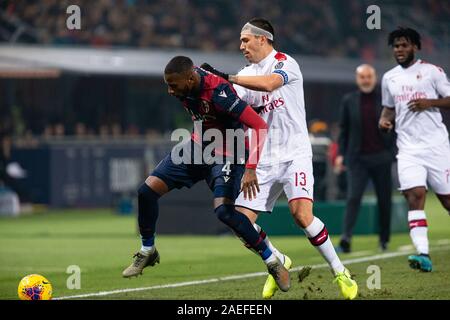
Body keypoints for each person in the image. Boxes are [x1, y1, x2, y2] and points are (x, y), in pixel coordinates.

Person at [201, 18, 357, 300]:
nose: (241, 46)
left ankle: (339, 271)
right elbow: (229, 103)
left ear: (263, 39)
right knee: (240, 223)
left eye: (245, 40)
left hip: (294, 153)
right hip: (261, 160)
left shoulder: (285, 63)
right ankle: (277, 260)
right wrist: (205, 86)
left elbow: (270, 84)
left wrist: (228, 77)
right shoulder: (245, 73)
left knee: (301, 215)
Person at [122, 56, 291, 293]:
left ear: (190, 79)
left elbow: (259, 126)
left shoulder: (220, 94)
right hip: (196, 147)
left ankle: (273, 262)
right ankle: (147, 251)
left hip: (228, 153)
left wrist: (251, 168)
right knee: (146, 192)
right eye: (167, 85)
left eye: (174, 85)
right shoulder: (188, 80)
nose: (170, 91)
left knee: (224, 212)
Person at [379, 27, 450, 272]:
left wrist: (429, 102)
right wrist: (384, 121)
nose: (399, 50)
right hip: (408, 148)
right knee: (415, 195)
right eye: (396, 46)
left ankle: (424, 253)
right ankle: (423, 254)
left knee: (447, 200)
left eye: (404, 45)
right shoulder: (389, 78)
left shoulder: (432, 72)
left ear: (415, 47)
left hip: (437, 147)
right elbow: (388, 108)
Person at [336, 64, 396, 253]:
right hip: (358, 159)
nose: (366, 80)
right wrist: (340, 155)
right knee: (353, 198)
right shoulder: (349, 100)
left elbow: (397, 126)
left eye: (369, 76)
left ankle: (384, 240)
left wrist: (392, 152)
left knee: (384, 200)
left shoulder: (385, 100)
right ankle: (346, 238)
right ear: (357, 79)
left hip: (382, 157)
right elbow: (343, 130)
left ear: (375, 77)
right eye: (362, 77)